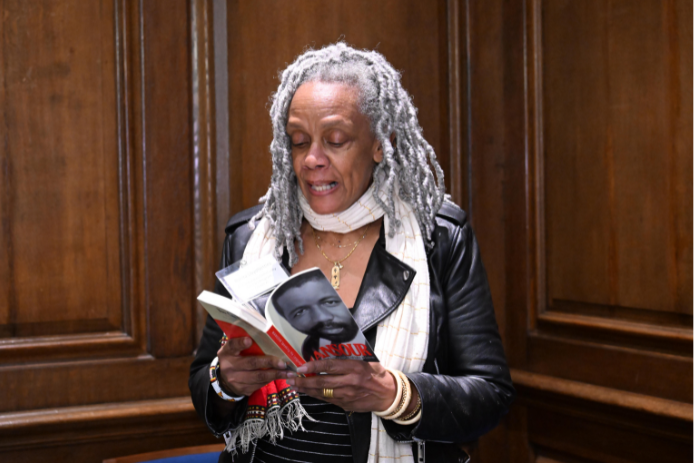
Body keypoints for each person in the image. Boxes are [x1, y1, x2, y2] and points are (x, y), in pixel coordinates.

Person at [189, 42, 514, 463]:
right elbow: (205, 384)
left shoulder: (440, 239)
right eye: (298, 141)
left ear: (381, 144)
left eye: (336, 140)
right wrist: (224, 382)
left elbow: (490, 394)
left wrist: (393, 394)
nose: (312, 159)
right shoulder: (251, 235)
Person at [267, 269, 375, 362]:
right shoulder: (309, 349)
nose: (321, 318)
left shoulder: (382, 335)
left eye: (330, 302)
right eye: (300, 312)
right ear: (288, 321)